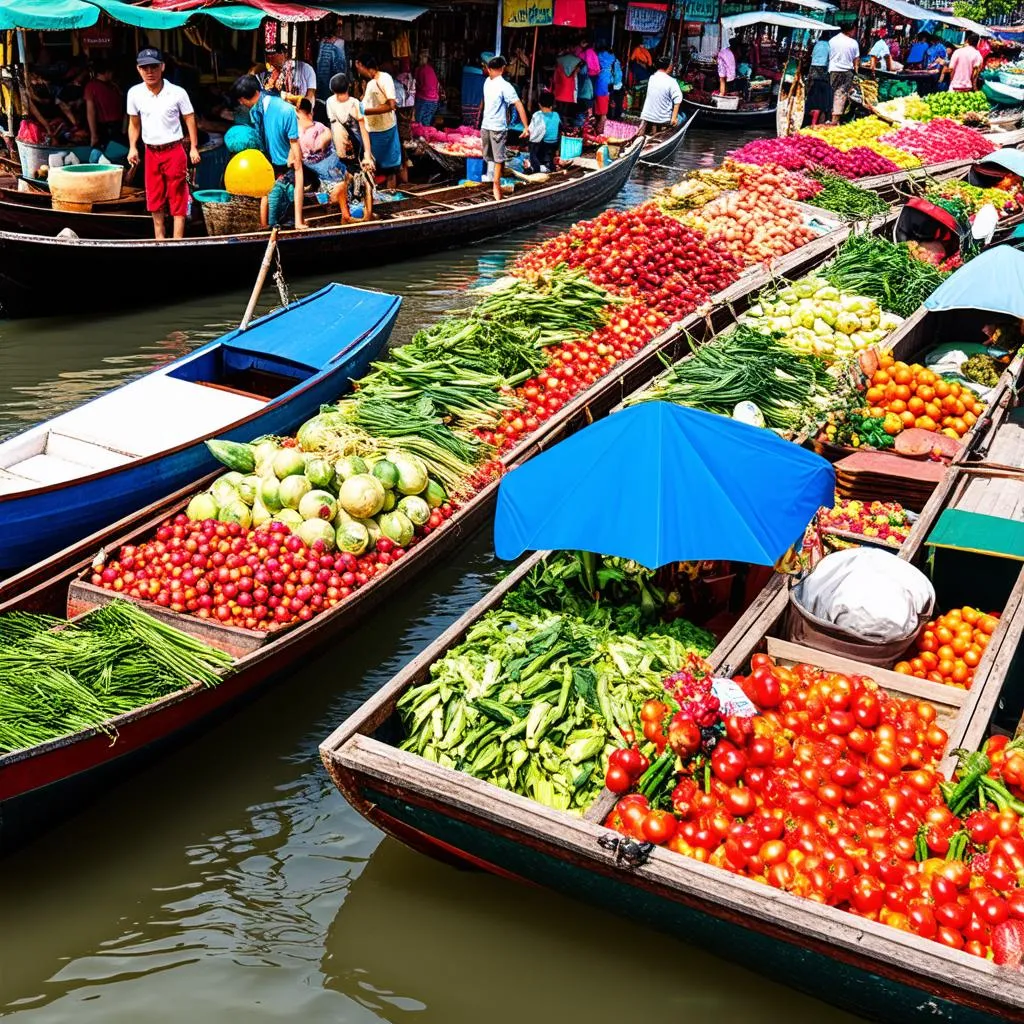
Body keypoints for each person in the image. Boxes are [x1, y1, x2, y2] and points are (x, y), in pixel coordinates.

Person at [127, 48, 200, 240]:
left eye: (153, 67)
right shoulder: (134, 93)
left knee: (178, 195)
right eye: (145, 68)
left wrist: (193, 147)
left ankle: (177, 240)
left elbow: (190, 118)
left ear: (163, 67)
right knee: (154, 196)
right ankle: (159, 240)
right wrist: (132, 147)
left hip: (174, 150)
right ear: (138, 69)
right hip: (150, 151)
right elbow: (134, 123)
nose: (149, 72)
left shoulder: (177, 93)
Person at [231, 74, 306, 230]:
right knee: (272, 216)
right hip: (269, 165)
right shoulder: (255, 113)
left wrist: (299, 222)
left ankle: (293, 220)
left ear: (244, 99)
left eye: (240, 100)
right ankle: (266, 224)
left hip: (286, 168)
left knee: (282, 207)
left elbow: (298, 166)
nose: (240, 103)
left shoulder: (285, 110)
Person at [296, 97, 368, 223]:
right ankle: (346, 216)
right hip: (323, 181)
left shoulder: (320, 128)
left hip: (336, 172)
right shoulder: (297, 134)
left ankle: (353, 213)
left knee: (356, 179)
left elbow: (324, 140)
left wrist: (321, 142)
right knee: (340, 187)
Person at [480, 55, 529, 202]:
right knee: (499, 159)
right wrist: (526, 126)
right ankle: (496, 184)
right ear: (503, 69)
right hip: (497, 128)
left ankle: (492, 180)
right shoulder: (505, 86)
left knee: (491, 158)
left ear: (489, 69)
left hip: (486, 126)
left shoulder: (487, 82)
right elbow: (518, 104)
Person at [355, 53, 402, 190]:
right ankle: (376, 197)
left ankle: (389, 196)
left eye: (358, 66)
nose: (358, 70)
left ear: (363, 65)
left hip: (386, 130)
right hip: (372, 130)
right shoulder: (370, 82)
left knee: (390, 168)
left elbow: (391, 105)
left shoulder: (385, 79)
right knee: (373, 167)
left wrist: (366, 111)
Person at [638, 56, 682, 135]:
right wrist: (674, 119)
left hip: (647, 116)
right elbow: (678, 100)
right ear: (669, 67)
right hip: (662, 119)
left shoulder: (652, 78)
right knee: (683, 117)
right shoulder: (672, 81)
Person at [85, 60, 124, 148]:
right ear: (107, 72)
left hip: (111, 126)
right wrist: (94, 134)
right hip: (107, 127)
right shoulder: (94, 86)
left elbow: (90, 111)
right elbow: (91, 112)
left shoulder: (112, 86)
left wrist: (93, 134)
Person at [828, 24, 860, 125]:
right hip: (846, 72)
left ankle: (830, 118)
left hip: (833, 70)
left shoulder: (832, 40)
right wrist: (856, 71)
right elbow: (856, 60)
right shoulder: (853, 43)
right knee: (841, 95)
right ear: (851, 30)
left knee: (833, 94)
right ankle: (835, 121)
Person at [527, 89, 560, 172]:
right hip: (554, 143)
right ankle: (548, 165)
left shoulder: (538, 115)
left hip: (544, 144)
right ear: (552, 105)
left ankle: (536, 167)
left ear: (539, 104)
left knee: (532, 147)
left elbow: (532, 131)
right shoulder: (556, 115)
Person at [315, 16, 347, 99]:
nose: (340, 29)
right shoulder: (340, 43)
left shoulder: (322, 43)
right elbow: (341, 68)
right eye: (339, 26)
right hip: (334, 87)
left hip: (322, 85)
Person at [806, 35, 833, 126]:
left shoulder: (817, 44)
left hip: (813, 68)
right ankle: (824, 116)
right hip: (823, 69)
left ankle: (815, 115)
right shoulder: (828, 45)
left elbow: (811, 55)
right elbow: (830, 58)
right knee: (824, 92)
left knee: (815, 89)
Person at [552, 47, 583, 126]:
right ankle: (564, 122)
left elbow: (555, 78)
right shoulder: (574, 63)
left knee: (560, 106)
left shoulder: (559, 63)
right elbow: (577, 73)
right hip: (569, 88)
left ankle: (558, 121)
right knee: (566, 107)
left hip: (560, 88)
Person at [593, 44, 616, 134]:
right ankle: (600, 132)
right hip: (607, 85)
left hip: (600, 85)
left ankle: (599, 132)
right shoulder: (612, 57)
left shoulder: (599, 55)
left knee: (601, 114)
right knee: (603, 113)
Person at [414, 51, 440, 126]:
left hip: (424, 99)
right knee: (426, 124)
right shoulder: (431, 69)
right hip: (434, 100)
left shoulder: (419, 69)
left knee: (418, 123)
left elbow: (417, 85)